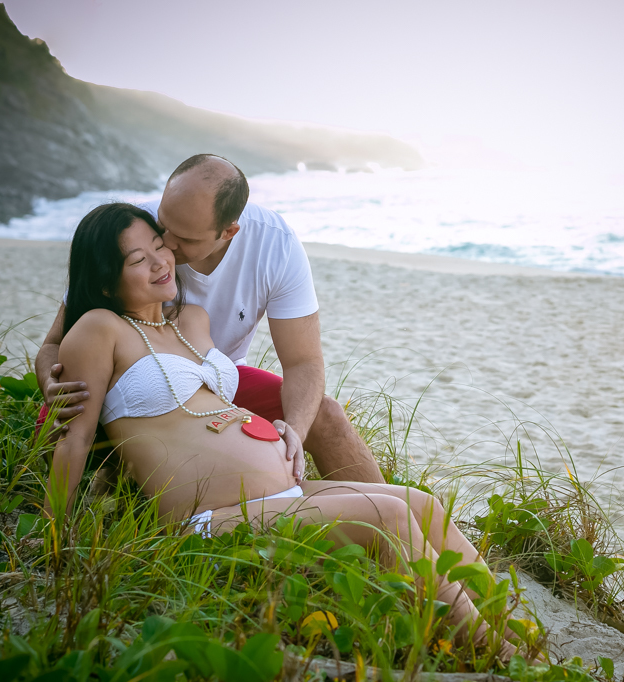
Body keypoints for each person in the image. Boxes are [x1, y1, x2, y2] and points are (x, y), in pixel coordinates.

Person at [49, 202, 516, 657]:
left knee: (422, 506)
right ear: (106, 282)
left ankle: (514, 624)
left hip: (279, 494)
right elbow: (77, 437)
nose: (160, 262)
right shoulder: (100, 328)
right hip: (208, 522)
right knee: (387, 517)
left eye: (159, 247)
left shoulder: (192, 320)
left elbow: (281, 373)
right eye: (138, 259)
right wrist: (55, 531)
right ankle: (492, 650)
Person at [35, 154, 382, 484]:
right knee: (57, 440)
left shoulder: (276, 246)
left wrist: (294, 431)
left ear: (228, 232)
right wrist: (51, 385)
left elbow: (303, 362)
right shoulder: (130, 231)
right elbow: (54, 343)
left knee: (325, 414)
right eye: (162, 225)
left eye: (182, 238)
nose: (165, 246)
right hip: (125, 387)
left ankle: (390, 523)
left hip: (215, 386)